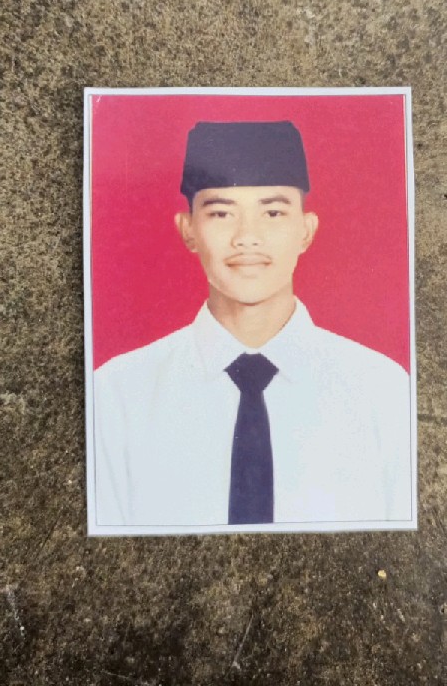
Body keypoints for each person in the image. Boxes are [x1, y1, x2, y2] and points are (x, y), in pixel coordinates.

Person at [93, 121, 412, 528]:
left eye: (273, 212)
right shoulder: (118, 396)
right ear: (188, 230)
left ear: (306, 230)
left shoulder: (384, 392)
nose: (247, 237)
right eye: (221, 213)